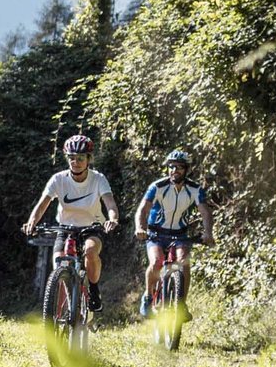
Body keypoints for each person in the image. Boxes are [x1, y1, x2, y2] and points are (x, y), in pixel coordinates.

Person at [22, 134, 120, 311]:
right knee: (58, 264)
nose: (75, 162)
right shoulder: (58, 179)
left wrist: (112, 219)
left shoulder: (98, 179)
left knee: (90, 251)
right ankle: (64, 307)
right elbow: (42, 204)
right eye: (71, 157)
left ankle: (94, 289)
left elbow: (110, 203)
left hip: (92, 226)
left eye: (81, 158)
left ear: (89, 159)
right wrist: (31, 222)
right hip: (65, 228)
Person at [133, 149, 213, 316]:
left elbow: (205, 212)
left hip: (180, 234)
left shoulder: (195, 189)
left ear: (186, 170)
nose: (174, 170)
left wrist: (208, 233)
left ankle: (181, 304)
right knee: (156, 262)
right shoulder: (157, 187)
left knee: (184, 263)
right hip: (156, 233)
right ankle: (148, 296)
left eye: (179, 167)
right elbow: (142, 209)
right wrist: (140, 228)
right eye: (171, 166)